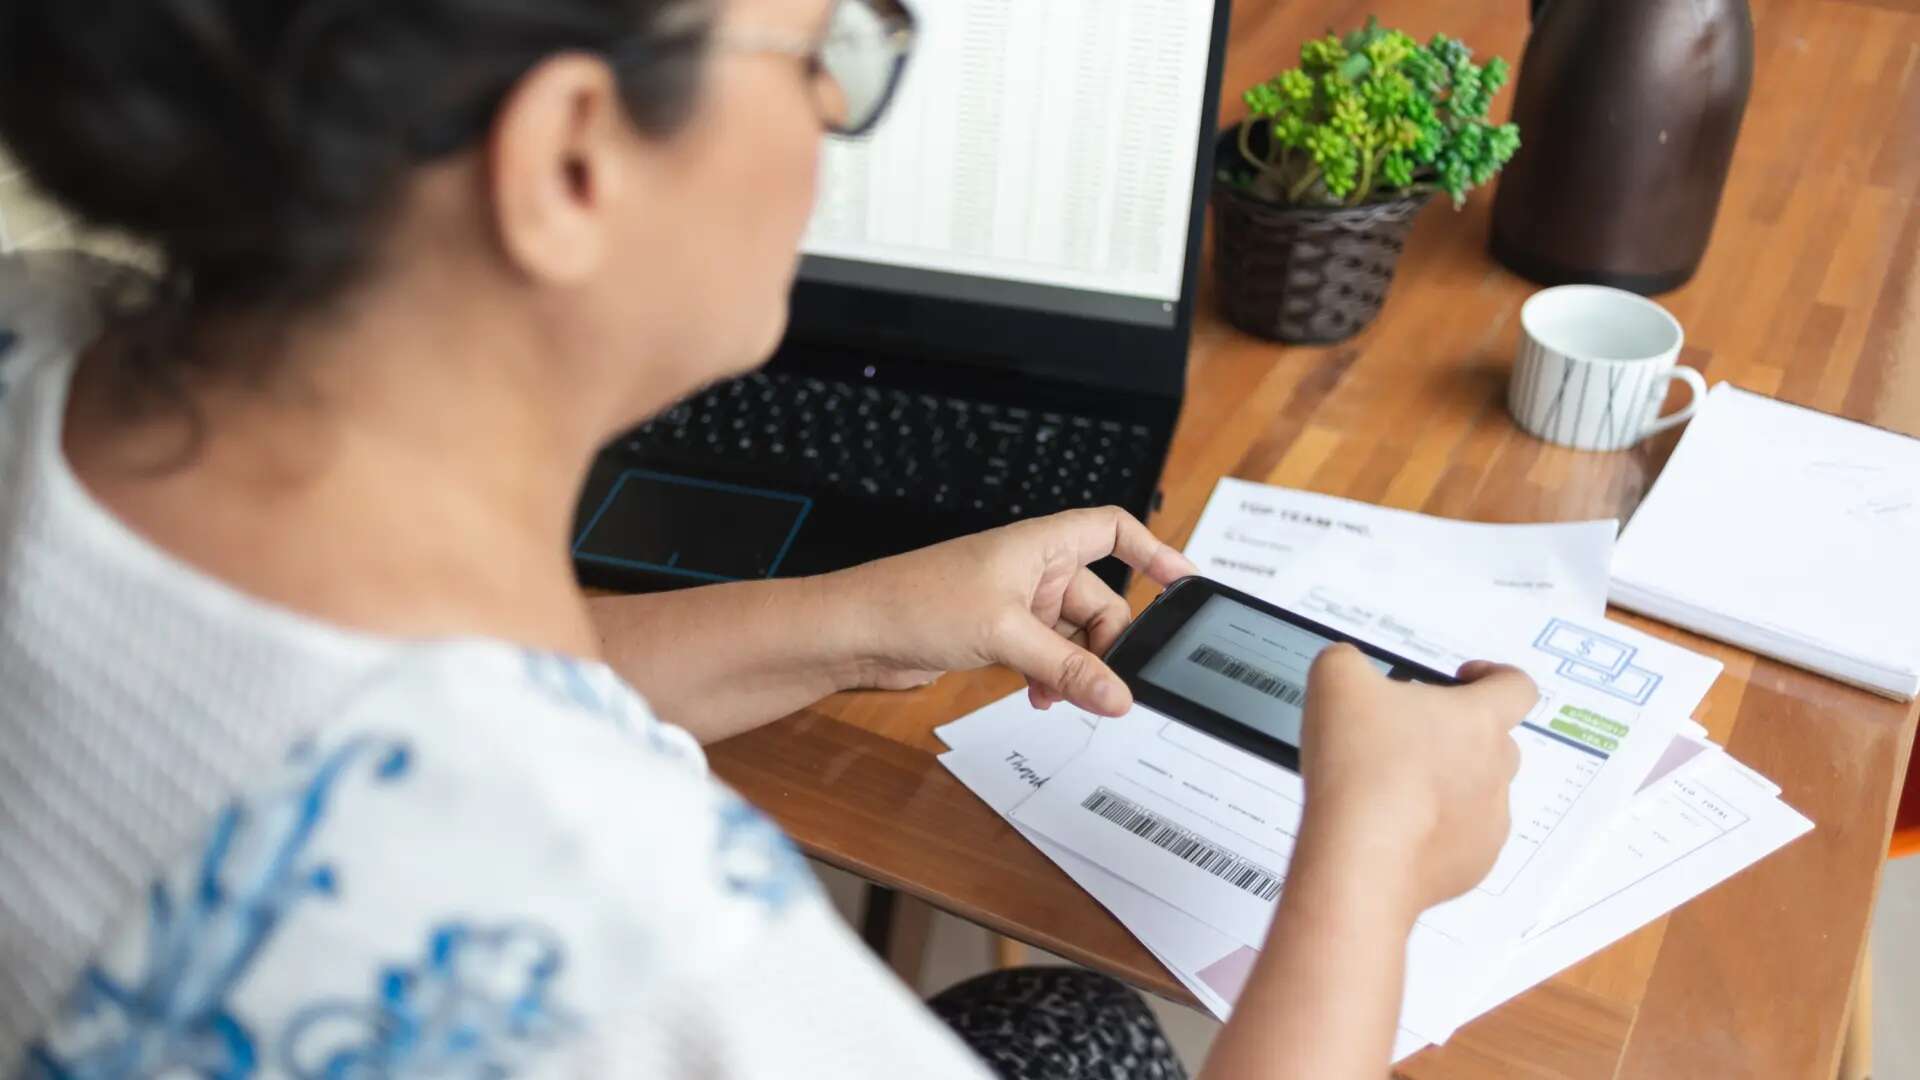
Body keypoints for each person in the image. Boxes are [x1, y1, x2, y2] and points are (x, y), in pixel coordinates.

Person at [0, 0, 1535, 1076]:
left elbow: (350, 709)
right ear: (572, 160)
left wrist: (857, 619)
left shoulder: (40, 343)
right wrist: (1373, 858)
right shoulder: (622, 945)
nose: (835, 121)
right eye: (830, 58)